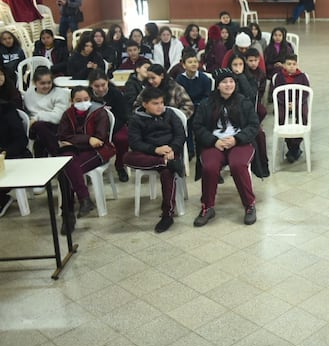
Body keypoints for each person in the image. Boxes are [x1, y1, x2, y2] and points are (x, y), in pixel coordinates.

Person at [192, 68, 263, 227]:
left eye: (231, 81)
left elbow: (253, 125)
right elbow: (197, 126)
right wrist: (213, 141)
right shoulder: (206, 104)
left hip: (239, 142)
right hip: (215, 142)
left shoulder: (244, 102)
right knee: (209, 167)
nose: (228, 85)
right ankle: (207, 207)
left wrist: (236, 139)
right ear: (217, 85)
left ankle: (249, 205)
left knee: (238, 165)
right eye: (224, 82)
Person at [125, 87, 186, 233]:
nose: (160, 107)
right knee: (126, 157)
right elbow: (135, 143)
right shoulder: (136, 119)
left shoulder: (170, 114)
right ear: (145, 104)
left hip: (170, 153)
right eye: (155, 103)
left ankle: (167, 215)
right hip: (150, 154)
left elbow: (180, 135)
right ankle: (165, 163)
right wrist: (155, 150)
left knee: (167, 173)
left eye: (161, 103)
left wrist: (172, 149)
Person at [57, 86, 115, 234]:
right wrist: (88, 139)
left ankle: (68, 215)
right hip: (76, 152)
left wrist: (77, 140)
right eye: (78, 100)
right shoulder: (67, 114)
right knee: (66, 166)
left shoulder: (99, 112)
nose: (82, 103)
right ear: (71, 101)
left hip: (97, 152)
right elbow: (63, 136)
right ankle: (84, 200)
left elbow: (100, 139)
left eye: (86, 99)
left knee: (65, 172)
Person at [24, 67, 70, 158]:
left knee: (39, 134)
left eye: (49, 82)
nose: (46, 86)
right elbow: (27, 112)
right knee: (38, 129)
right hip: (34, 127)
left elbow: (58, 117)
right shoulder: (29, 94)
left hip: (56, 126)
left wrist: (37, 118)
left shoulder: (59, 93)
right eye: (42, 83)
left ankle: (56, 155)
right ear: (34, 83)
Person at [272, 54, 310, 163]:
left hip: (298, 103)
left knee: (303, 117)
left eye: (294, 64)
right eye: (289, 64)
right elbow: (276, 92)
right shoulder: (279, 77)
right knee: (281, 119)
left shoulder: (302, 76)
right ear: (283, 65)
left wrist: (296, 103)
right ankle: (292, 147)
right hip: (283, 103)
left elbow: (306, 92)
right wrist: (286, 103)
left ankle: (294, 147)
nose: (292, 66)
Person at [0, 94, 33, 217]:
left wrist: (4, 152)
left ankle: (3, 198)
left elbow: (21, 140)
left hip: (14, 153)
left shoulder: (7, 109)